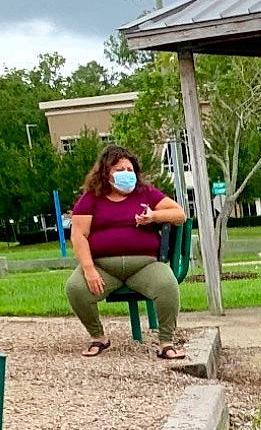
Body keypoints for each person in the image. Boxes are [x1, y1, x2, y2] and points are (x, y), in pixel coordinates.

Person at [65, 145, 189, 362]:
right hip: (104, 266)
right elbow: (79, 235)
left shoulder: (147, 193)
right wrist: (89, 269)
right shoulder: (91, 199)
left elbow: (179, 214)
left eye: (129, 169)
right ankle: (98, 337)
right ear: (106, 173)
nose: (126, 174)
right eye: (119, 169)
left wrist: (154, 217)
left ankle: (166, 342)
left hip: (145, 265)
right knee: (75, 288)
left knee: (167, 285)